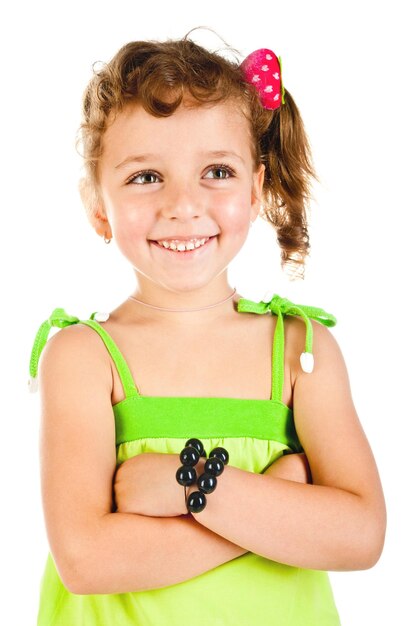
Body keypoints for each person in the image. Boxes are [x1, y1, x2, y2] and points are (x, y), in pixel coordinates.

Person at [28, 27, 386, 625]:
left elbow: (361, 536)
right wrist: (274, 504)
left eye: (216, 171)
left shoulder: (301, 351)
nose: (183, 204)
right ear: (98, 206)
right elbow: (86, 560)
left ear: (254, 190)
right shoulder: (83, 356)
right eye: (146, 177)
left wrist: (190, 487)